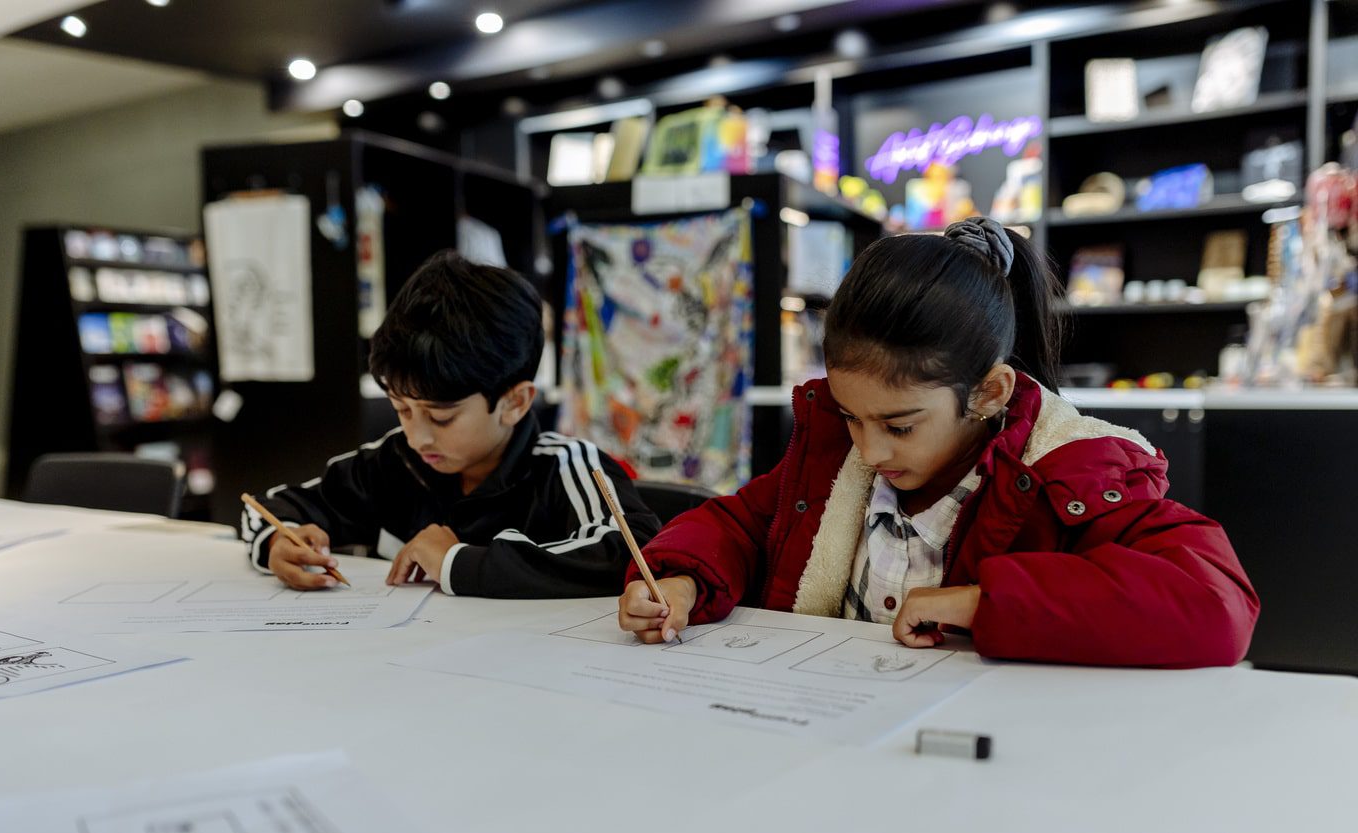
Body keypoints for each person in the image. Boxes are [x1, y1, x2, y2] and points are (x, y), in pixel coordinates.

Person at [618, 217, 1258, 667]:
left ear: (989, 393)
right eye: (850, 417)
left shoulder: (1074, 472)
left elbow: (1215, 603)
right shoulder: (833, 460)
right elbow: (742, 523)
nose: (869, 453)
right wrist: (684, 581)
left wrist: (986, 604)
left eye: (900, 426)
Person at [242, 250, 660, 598]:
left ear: (514, 402)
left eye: (442, 417)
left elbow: (633, 550)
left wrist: (458, 563)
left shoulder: (566, 467)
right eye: (402, 409)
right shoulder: (395, 462)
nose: (417, 435)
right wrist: (282, 541)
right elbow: (268, 506)